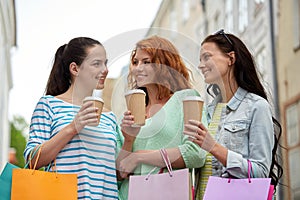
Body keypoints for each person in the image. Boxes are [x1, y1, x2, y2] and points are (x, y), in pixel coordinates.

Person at [184, 29, 283, 199]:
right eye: (200, 60)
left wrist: (214, 148)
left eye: (207, 57)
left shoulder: (256, 106)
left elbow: (260, 173)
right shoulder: (207, 111)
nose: (200, 65)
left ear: (231, 58)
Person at [24, 37, 119, 199]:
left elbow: (116, 173)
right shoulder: (49, 104)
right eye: (97, 63)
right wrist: (73, 127)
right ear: (75, 69)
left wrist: (130, 138)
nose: (105, 70)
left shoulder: (109, 116)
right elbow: (32, 160)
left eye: (105, 63)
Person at [115, 35, 207, 200]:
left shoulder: (186, 99)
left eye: (146, 62)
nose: (137, 68)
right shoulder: (134, 110)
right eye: (135, 62)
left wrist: (139, 157)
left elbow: (196, 153)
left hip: (168, 193)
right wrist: (128, 140)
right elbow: (120, 173)